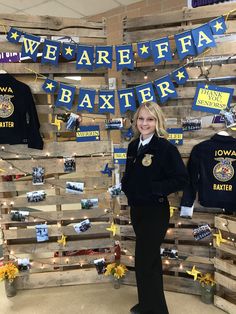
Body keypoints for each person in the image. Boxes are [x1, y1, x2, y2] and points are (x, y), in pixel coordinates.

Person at [121, 102, 188, 314]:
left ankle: (157, 310)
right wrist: (126, 186)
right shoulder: (133, 146)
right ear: (136, 121)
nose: (144, 123)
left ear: (157, 122)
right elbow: (130, 174)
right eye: (141, 119)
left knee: (144, 260)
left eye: (150, 119)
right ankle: (146, 303)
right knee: (147, 261)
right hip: (137, 210)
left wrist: (154, 189)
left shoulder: (166, 148)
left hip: (155, 211)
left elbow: (181, 179)